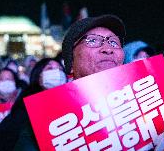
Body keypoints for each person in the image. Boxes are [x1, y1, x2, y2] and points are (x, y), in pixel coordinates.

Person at [12, 14, 126, 150]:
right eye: (93, 41)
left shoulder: (147, 100)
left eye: (114, 42)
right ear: (71, 63)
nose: (108, 49)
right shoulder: (44, 121)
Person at [0, 58, 67, 151]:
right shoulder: (23, 109)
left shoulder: (72, 103)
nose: (57, 72)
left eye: (60, 69)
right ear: (39, 76)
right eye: (49, 68)